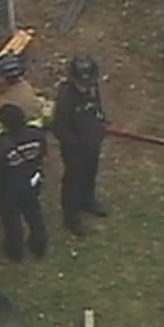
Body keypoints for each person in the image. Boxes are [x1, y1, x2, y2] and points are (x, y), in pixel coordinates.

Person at [51, 55, 108, 237]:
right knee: (73, 180)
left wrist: (100, 127)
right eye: (82, 83)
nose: (86, 87)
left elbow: (97, 109)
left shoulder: (92, 89)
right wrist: (75, 145)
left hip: (92, 143)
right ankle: (71, 216)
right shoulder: (66, 99)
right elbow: (59, 128)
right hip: (74, 149)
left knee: (91, 172)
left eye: (90, 82)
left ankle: (87, 200)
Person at [0, 104, 49, 261]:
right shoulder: (37, 135)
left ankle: (15, 252)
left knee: (12, 220)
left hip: (10, 187)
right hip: (32, 180)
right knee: (34, 214)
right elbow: (42, 154)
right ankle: (39, 245)